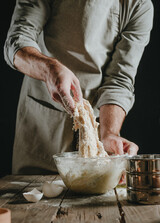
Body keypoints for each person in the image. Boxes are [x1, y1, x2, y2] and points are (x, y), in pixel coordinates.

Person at [4, 0, 153, 174]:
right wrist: (48, 68)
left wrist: (109, 133)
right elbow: (17, 42)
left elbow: (119, 80)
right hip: (41, 127)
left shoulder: (139, 5)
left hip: (95, 129)